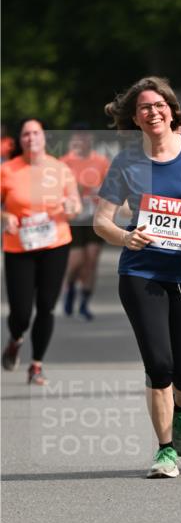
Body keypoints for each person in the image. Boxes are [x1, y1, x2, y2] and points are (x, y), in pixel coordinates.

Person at [93, 76, 181, 478]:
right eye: (144, 108)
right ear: (134, 118)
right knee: (159, 364)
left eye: (159, 105)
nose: (153, 112)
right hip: (142, 271)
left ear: (172, 110)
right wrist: (125, 236)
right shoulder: (127, 162)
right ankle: (165, 450)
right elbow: (101, 221)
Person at [1, 118, 80, 384]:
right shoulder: (7, 170)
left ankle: (36, 365)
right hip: (19, 247)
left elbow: (76, 205)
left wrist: (71, 207)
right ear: (19, 140)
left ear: (45, 137)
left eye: (36, 133)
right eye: (26, 134)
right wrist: (5, 217)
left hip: (55, 244)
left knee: (46, 306)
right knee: (21, 313)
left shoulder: (60, 169)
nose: (31, 138)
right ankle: (15, 339)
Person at [61, 124, 110, 320]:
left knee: (92, 258)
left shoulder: (101, 161)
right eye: (78, 137)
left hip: (94, 216)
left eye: (85, 137)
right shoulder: (64, 162)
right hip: (73, 217)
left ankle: (84, 303)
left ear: (91, 139)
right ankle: (70, 287)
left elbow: (110, 187)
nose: (82, 141)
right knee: (76, 261)